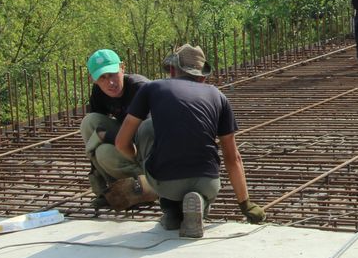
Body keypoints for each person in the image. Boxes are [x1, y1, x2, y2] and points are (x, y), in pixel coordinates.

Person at [105, 44, 265, 238]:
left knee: (147, 128)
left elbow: (121, 143)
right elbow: (233, 159)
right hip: (207, 181)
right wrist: (246, 205)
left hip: (165, 181)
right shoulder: (218, 95)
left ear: (172, 70)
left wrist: (140, 162)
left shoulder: (152, 88)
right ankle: (201, 203)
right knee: (202, 175)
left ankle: (171, 211)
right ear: (202, 76)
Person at [81, 49, 150, 209]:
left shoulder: (140, 88)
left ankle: (148, 185)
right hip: (128, 143)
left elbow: (150, 134)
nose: (109, 82)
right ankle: (112, 190)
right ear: (93, 79)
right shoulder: (99, 91)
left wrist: (107, 136)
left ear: (122, 68)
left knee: (104, 150)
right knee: (89, 123)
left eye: (112, 74)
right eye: (102, 78)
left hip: (152, 152)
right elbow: (94, 134)